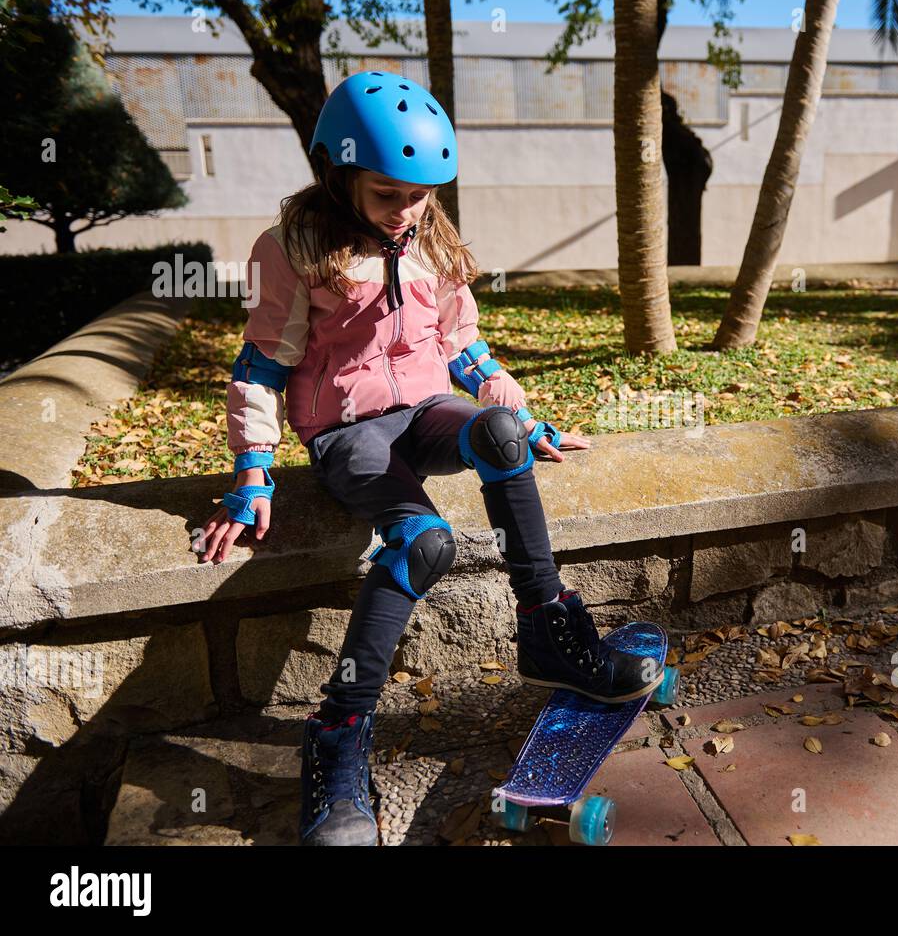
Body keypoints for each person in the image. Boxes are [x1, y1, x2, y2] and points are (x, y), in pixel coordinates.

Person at [196, 70, 663, 846]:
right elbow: (260, 367)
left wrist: (520, 408)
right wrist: (252, 471)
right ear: (337, 175)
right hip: (347, 433)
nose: (408, 209)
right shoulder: (292, 249)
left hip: (425, 411)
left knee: (502, 434)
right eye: (388, 193)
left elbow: (461, 343)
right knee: (427, 543)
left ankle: (547, 628)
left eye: (421, 193)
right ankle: (339, 731)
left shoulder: (430, 239)